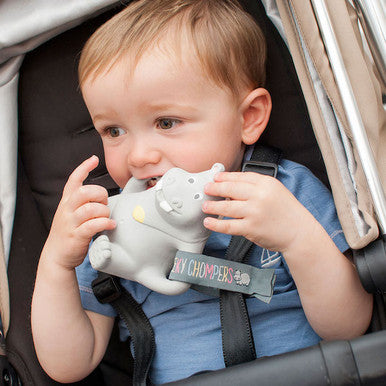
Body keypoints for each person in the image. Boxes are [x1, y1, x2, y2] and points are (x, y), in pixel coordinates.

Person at [31, 0, 373, 384]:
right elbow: (68, 365)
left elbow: (349, 326)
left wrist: (296, 237)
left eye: (167, 122)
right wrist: (57, 263)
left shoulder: (285, 193)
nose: (139, 156)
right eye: (113, 131)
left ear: (248, 118)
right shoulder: (109, 229)